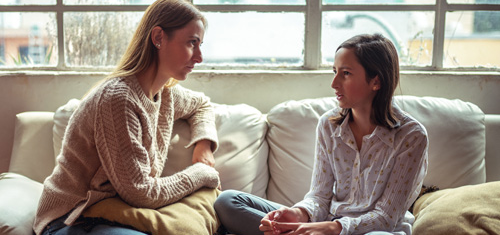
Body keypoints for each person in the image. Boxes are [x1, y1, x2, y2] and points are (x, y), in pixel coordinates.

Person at [33, 1, 220, 234]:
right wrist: (202, 173)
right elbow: (142, 192)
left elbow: (202, 104)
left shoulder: (165, 94)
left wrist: (204, 145)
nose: (200, 57)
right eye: (192, 43)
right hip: (73, 216)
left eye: (200, 44)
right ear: (158, 37)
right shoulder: (118, 99)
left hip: (116, 211)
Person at [214, 34, 428, 235]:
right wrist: (299, 214)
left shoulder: (411, 137)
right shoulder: (329, 125)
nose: (334, 84)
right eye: (334, 71)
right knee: (228, 201)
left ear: (376, 81)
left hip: (370, 230)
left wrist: (333, 228)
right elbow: (320, 195)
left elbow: (386, 217)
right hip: (324, 223)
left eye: (345, 73)